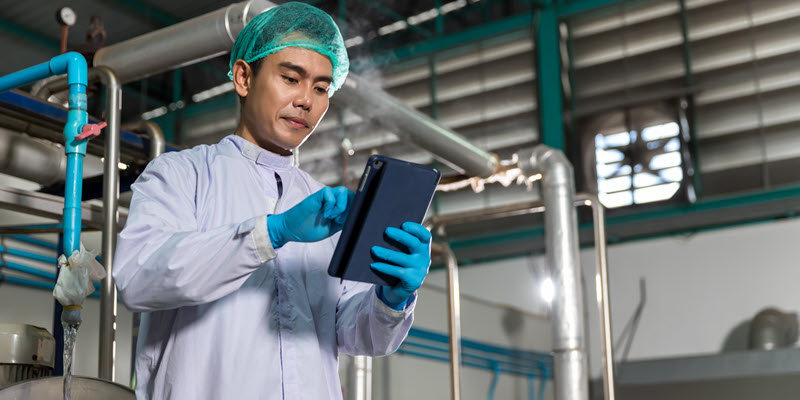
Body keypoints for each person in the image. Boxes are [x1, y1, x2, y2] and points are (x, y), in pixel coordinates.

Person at [113, 3, 432, 399]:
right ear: (244, 77)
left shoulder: (326, 206)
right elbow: (138, 279)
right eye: (291, 78)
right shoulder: (182, 175)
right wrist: (271, 233)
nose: (306, 101)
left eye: (321, 88)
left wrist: (392, 297)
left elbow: (355, 334)